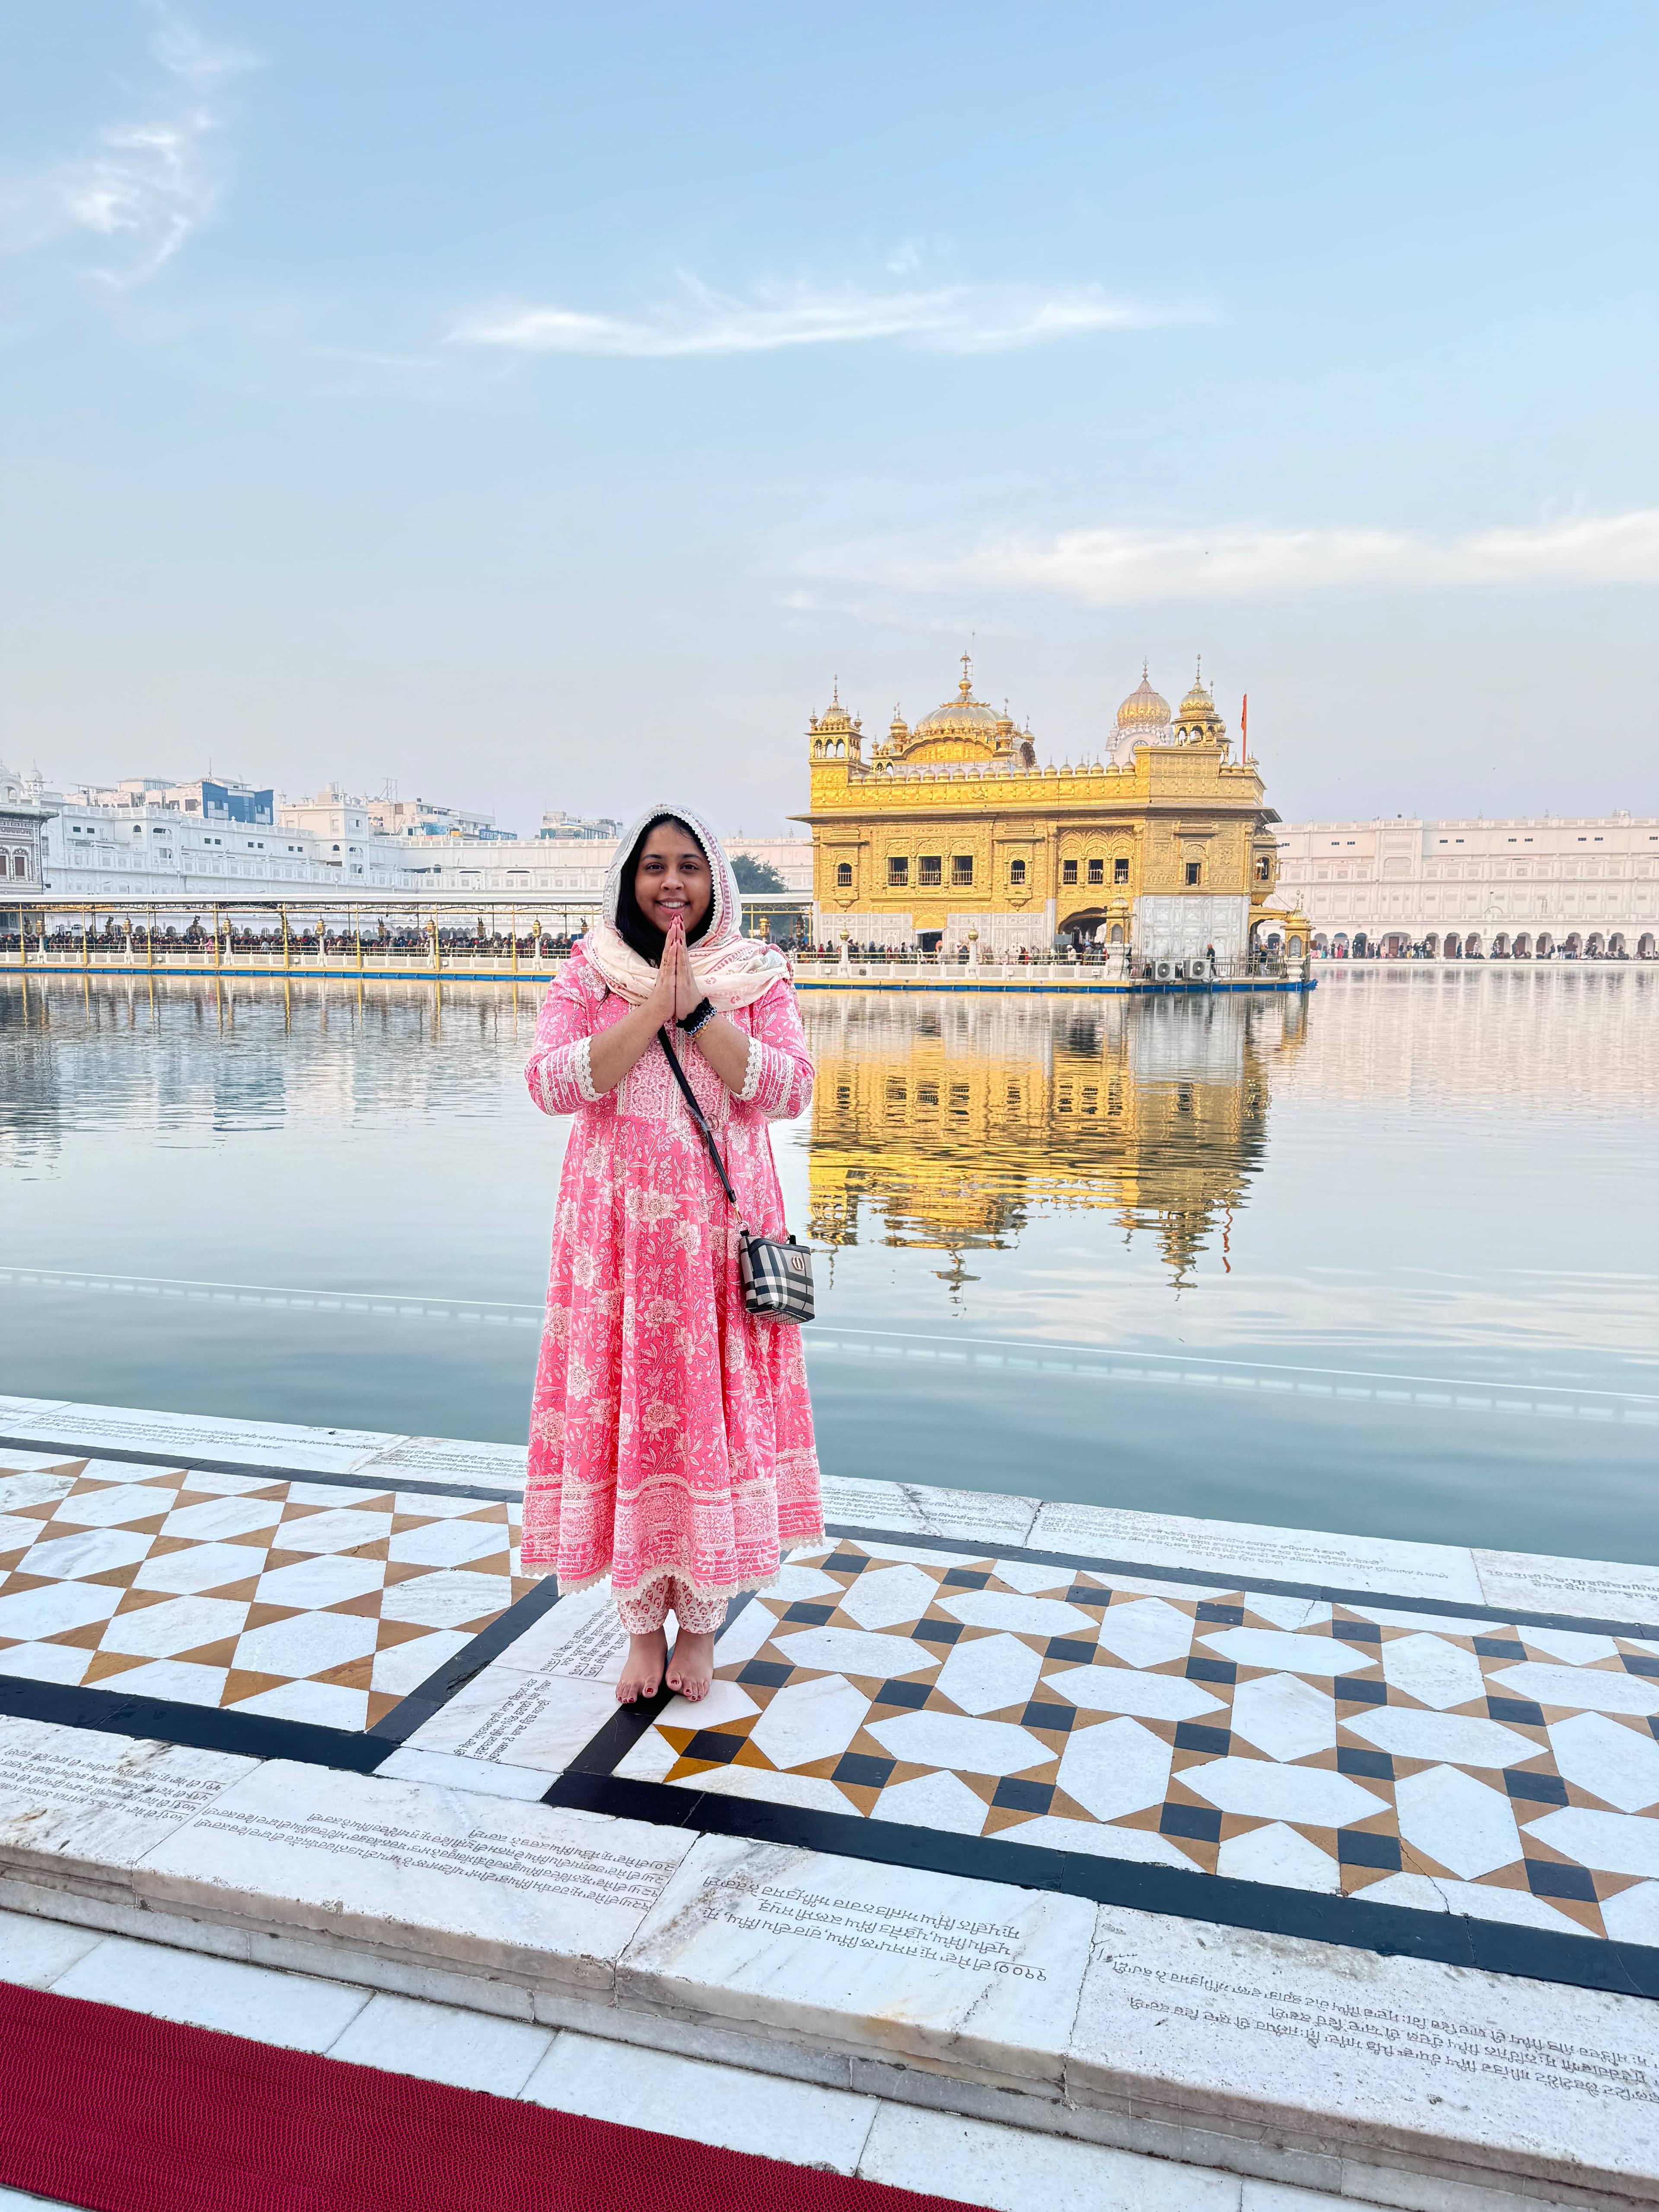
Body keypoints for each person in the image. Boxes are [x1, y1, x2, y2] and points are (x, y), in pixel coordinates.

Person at [521, 806, 822, 1706]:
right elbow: (550, 1082)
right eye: (654, 867)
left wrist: (695, 1012)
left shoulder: (757, 976)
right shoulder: (592, 970)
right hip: (617, 1246)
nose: (671, 884)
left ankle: (700, 1629)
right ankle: (639, 1631)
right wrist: (648, 1006)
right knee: (628, 1421)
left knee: (706, 1422)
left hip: (715, 1243)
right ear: (629, 879)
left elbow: (790, 1088)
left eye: (689, 866)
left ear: (717, 882)